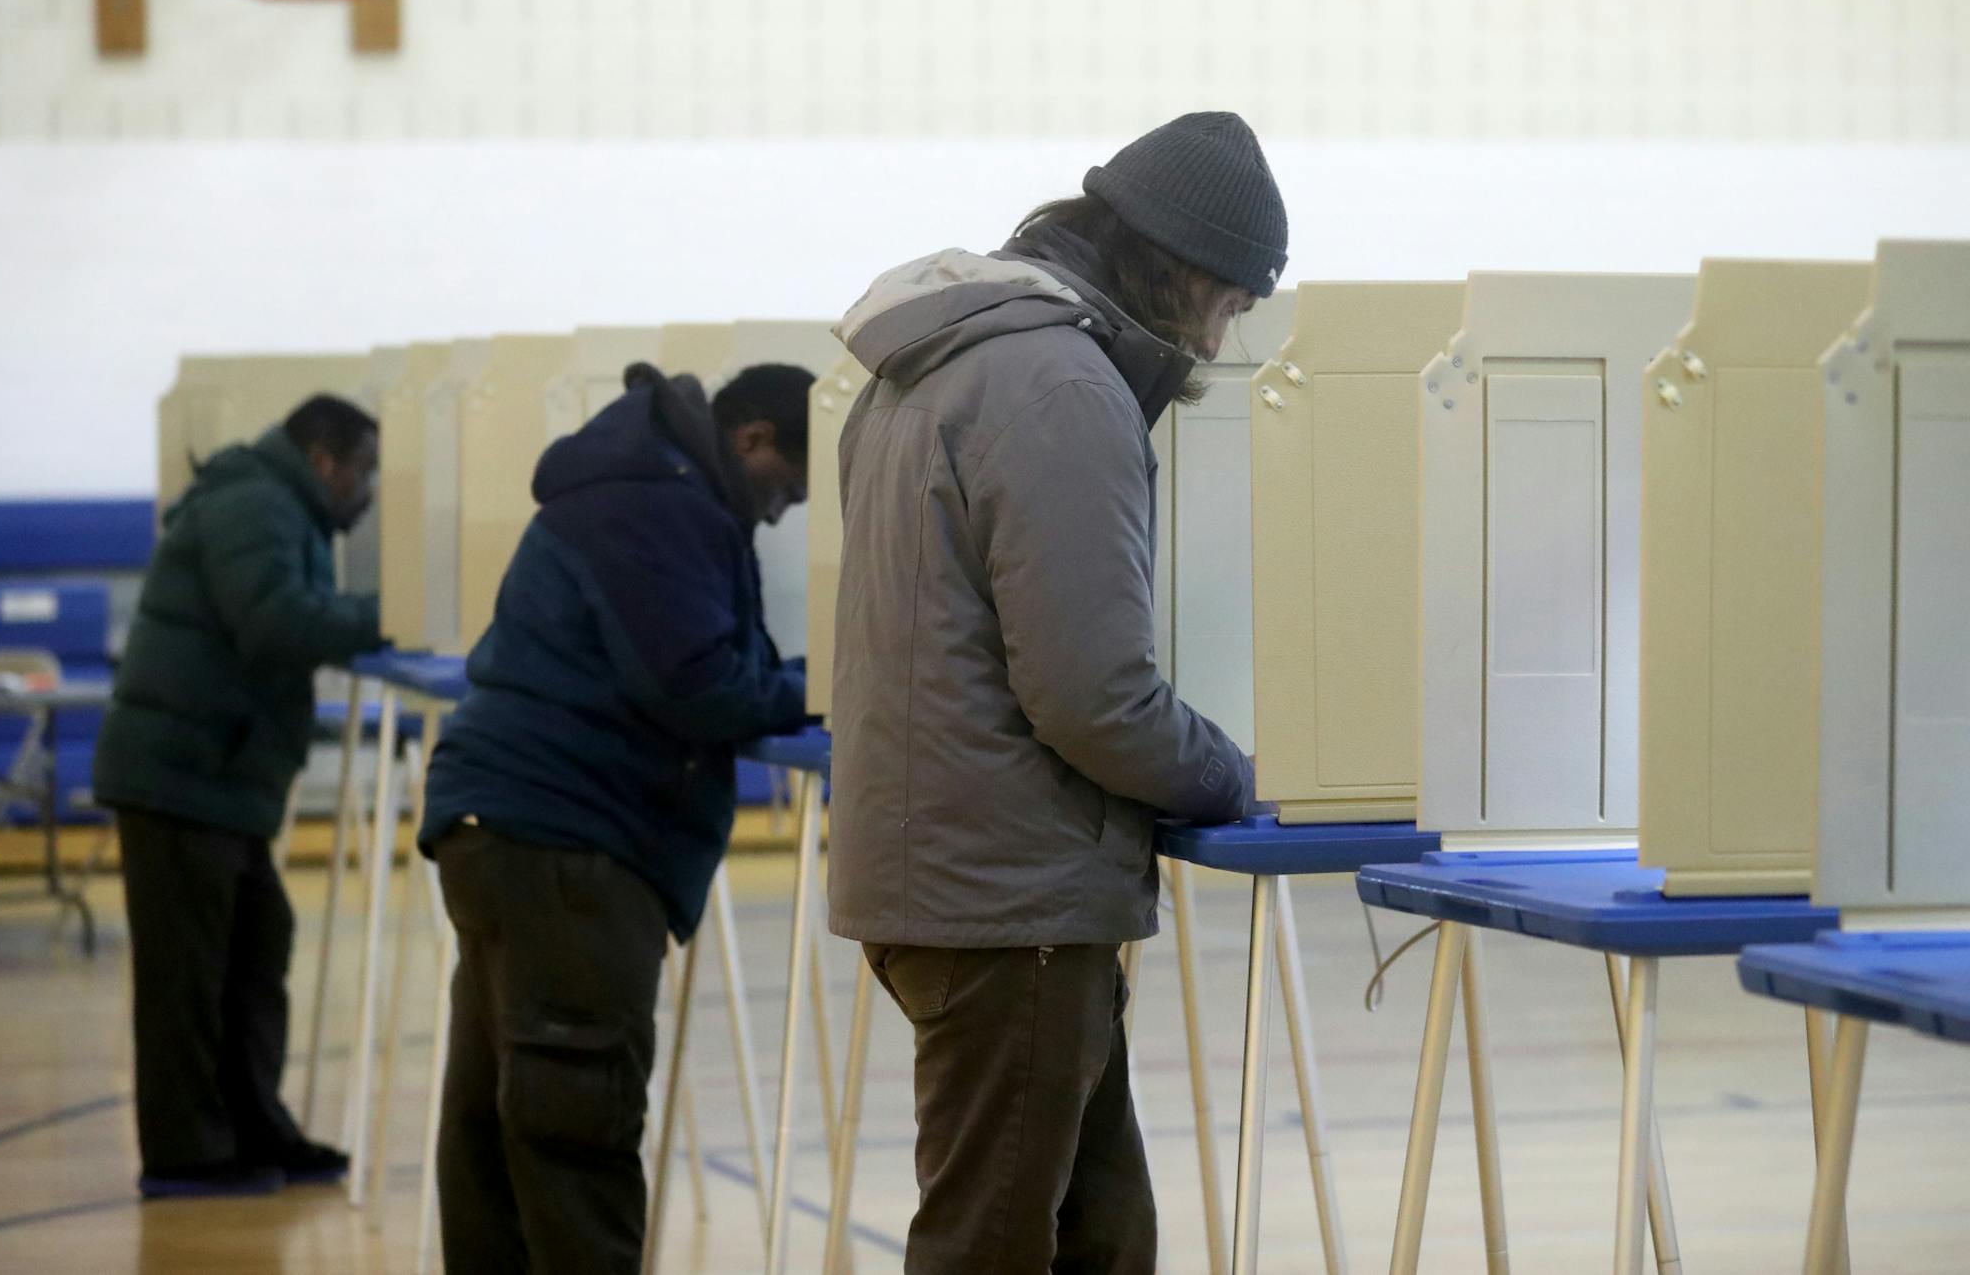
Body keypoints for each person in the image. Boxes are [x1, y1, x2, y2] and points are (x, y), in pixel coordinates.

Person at [826, 111, 1287, 1272]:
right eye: (1229, 305)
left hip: (944, 874)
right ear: (1181, 269)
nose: (1222, 344)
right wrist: (1234, 774)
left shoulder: (930, 365)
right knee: (988, 1244)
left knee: (1102, 1235)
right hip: (1011, 900)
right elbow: (1094, 697)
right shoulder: (1063, 388)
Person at [419, 359, 814, 1274]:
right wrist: (825, 686)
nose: (783, 512)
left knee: (494, 1134)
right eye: (788, 486)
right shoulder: (659, 505)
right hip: (571, 840)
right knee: (574, 1136)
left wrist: (780, 681)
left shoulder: (647, 483)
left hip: (506, 827)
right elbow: (699, 683)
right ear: (750, 438)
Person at [94, 393, 383, 1199]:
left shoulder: (272, 502)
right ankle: (187, 1152)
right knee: (188, 971)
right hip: (181, 773)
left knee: (256, 944)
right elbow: (274, 621)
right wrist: (392, 615)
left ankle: (255, 1126)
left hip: (212, 772)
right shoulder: (256, 501)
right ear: (323, 459)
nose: (366, 493)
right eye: (362, 472)